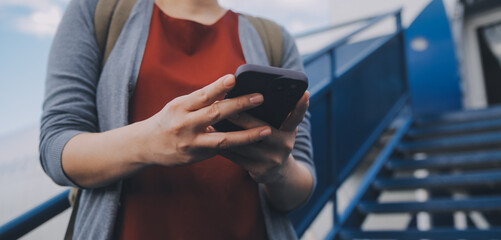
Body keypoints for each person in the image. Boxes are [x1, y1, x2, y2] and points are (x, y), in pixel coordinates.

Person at [40, 0, 316, 239]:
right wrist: (148, 143)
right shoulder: (98, 11)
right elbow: (56, 147)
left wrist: (278, 170)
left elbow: (301, 184)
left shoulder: (275, 39)